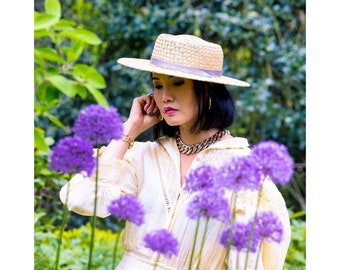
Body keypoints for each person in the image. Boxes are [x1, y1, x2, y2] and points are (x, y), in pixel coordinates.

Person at [60, 33, 291, 269]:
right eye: (157, 85)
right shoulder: (144, 156)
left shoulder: (243, 170)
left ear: (209, 90)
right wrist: (130, 128)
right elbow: (81, 199)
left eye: (177, 83)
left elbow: (249, 262)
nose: (164, 96)